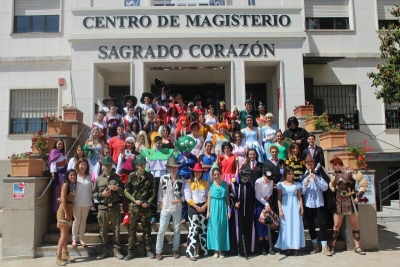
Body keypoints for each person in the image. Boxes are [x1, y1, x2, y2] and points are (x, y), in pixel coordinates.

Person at [329, 157, 368, 256]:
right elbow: (331, 185)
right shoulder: (335, 175)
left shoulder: (352, 172)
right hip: (339, 201)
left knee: (355, 225)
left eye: (333, 166)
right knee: (336, 225)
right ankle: (332, 246)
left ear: (337, 164)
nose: (333, 168)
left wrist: (358, 197)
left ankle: (357, 247)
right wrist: (333, 190)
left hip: (350, 200)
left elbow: (364, 184)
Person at [92, 156, 124, 260]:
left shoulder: (117, 178)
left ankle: (116, 250)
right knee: (103, 230)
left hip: (114, 207)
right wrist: (102, 194)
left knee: (116, 230)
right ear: (103, 165)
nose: (108, 166)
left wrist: (117, 188)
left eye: (110, 164)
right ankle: (104, 251)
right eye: (106, 165)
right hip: (103, 207)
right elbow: (94, 193)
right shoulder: (99, 179)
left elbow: (123, 192)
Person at [124, 155, 156, 260]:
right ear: (137, 165)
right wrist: (134, 200)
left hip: (145, 207)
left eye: (143, 164)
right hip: (134, 207)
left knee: (147, 230)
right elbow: (126, 191)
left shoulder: (149, 176)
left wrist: (149, 202)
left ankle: (148, 250)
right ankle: (131, 251)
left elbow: (153, 192)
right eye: (140, 164)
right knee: (132, 230)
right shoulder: (132, 176)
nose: (142, 166)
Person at [155, 155, 185, 261]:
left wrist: (180, 200)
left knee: (177, 229)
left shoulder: (181, 179)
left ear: (178, 168)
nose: (174, 168)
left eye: (175, 166)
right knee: (162, 229)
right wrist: (160, 203)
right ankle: (158, 251)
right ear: (169, 167)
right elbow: (159, 192)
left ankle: (175, 249)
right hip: (166, 206)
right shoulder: (163, 178)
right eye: (172, 166)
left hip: (177, 207)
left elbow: (184, 195)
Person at [301, 154, 331, 256]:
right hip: (308, 204)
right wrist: (306, 183)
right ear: (305, 165)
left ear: (314, 164)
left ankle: (325, 246)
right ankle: (314, 245)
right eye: (308, 164)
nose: (309, 165)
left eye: (311, 163)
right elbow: (302, 192)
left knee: (322, 224)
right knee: (310, 225)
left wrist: (316, 180)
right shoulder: (303, 176)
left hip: (319, 204)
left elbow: (325, 188)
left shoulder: (319, 174)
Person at [141, 136, 175, 224]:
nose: (159, 144)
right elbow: (147, 167)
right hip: (153, 178)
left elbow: (168, 167)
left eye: (161, 143)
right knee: (153, 197)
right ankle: (153, 216)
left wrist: (169, 177)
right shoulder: (149, 154)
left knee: (165, 197)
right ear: (154, 143)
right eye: (158, 143)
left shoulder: (166, 153)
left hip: (164, 178)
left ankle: (166, 215)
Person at [275, 166, 305, 256]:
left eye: (292, 174)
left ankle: (296, 247)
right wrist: (280, 210)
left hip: (295, 206)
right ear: (285, 174)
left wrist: (302, 208)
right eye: (289, 174)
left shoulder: (297, 184)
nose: (291, 176)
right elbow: (279, 198)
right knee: (286, 227)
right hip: (285, 207)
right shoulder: (281, 184)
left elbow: (300, 197)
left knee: (296, 226)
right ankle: (287, 247)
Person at [184, 163, 209, 261]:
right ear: (193, 172)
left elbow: (208, 197)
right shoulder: (189, 182)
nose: (197, 173)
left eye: (199, 172)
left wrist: (205, 206)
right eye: (196, 171)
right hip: (193, 207)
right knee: (193, 229)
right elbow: (187, 198)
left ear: (202, 173)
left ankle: (203, 251)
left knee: (203, 229)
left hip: (203, 206)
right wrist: (196, 207)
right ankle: (191, 252)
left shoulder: (205, 183)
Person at [229, 164, 255, 257]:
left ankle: (247, 249)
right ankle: (239, 249)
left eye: (248, 175)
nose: (246, 177)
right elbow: (231, 195)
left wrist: (253, 208)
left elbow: (253, 197)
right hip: (238, 211)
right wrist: (235, 203)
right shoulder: (234, 183)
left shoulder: (250, 183)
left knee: (247, 229)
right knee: (238, 229)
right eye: (244, 174)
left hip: (248, 211)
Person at [206, 167, 230, 259]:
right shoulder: (210, 185)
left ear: (221, 174)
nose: (216, 176)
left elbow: (227, 198)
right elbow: (209, 199)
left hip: (223, 207)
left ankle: (221, 250)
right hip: (214, 207)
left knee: (222, 228)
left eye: (218, 174)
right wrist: (208, 212)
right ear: (213, 175)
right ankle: (215, 250)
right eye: (214, 174)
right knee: (214, 228)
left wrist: (228, 210)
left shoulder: (226, 184)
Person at [55, 169, 77, 266]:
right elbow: (63, 199)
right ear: (67, 176)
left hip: (69, 210)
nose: (73, 177)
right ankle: (58, 256)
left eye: (74, 175)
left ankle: (65, 254)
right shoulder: (65, 185)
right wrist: (67, 213)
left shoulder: (72, 186)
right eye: (71, 175)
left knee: (65, 235)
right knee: (63, 235)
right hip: (64, 211)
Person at [176, 136, 199, 222]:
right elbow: (175, 168)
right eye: (185, 147)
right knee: (180, 198)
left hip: (191, 180)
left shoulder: (194, 157)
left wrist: (191, 178)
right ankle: (181, 217)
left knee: (190, 197)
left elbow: (197, 169)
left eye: (188, 147)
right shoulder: (178, 157)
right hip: (180, 179)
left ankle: (189, 215)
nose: (186, 148)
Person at [72, 159, 93, 248]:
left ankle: (81, 239)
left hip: (87, 202)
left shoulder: (89, 176)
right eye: (81, 165)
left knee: (83, 221)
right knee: (76, 221)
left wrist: (92, 201)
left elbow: (91, 190)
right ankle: (74, 239)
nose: (83, 166)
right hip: (77, 202)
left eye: (84, 165)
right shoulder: (75, 177)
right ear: (78, 165)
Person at [254, 167, 275, 255]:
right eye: (267, 178)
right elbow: (257, 195)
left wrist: (268, 197)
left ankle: (268, 246)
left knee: (267, 224)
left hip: (267, 204)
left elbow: (270, 191)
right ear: (264, 176)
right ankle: (261, 246)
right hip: (260, 204)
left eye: (270, 179)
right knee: (260, 224)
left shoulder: (271, 181)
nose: (269, 180)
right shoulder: (258, 182)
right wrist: (266, 203)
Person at [50, 139, 68, 213]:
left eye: (61, 144)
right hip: (59, 174)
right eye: (59, 144)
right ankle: (57, 208)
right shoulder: (54, 152)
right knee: (59, 191)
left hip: (65, 174)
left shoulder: (62, 153)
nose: (60, 145)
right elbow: (53, 163)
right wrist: (53, 173)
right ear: (56, 144)